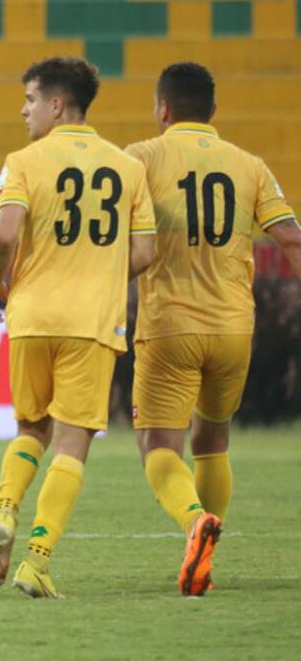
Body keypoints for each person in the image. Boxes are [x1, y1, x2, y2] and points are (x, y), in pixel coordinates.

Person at [0, 57, 157, 599]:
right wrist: (96, 269)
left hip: (32, 315)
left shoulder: (23, 161)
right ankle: (36, 562)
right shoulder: (127, 168)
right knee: (72, 444)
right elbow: (146, 251)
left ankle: (5, 510)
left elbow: (4, 236)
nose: (23, 109)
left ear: (57, 104)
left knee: (30, 428)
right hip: (93, 321)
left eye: (30, 99)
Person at [125, 62, 301, 596]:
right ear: (214, 111)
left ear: (162, 109)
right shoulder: (249, 166)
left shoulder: (142, 157)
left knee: (158, 443)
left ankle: (193, 522)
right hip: (233, 328)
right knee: (213, 439)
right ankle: (205, 558)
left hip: (169, 326)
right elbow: (292, 239)